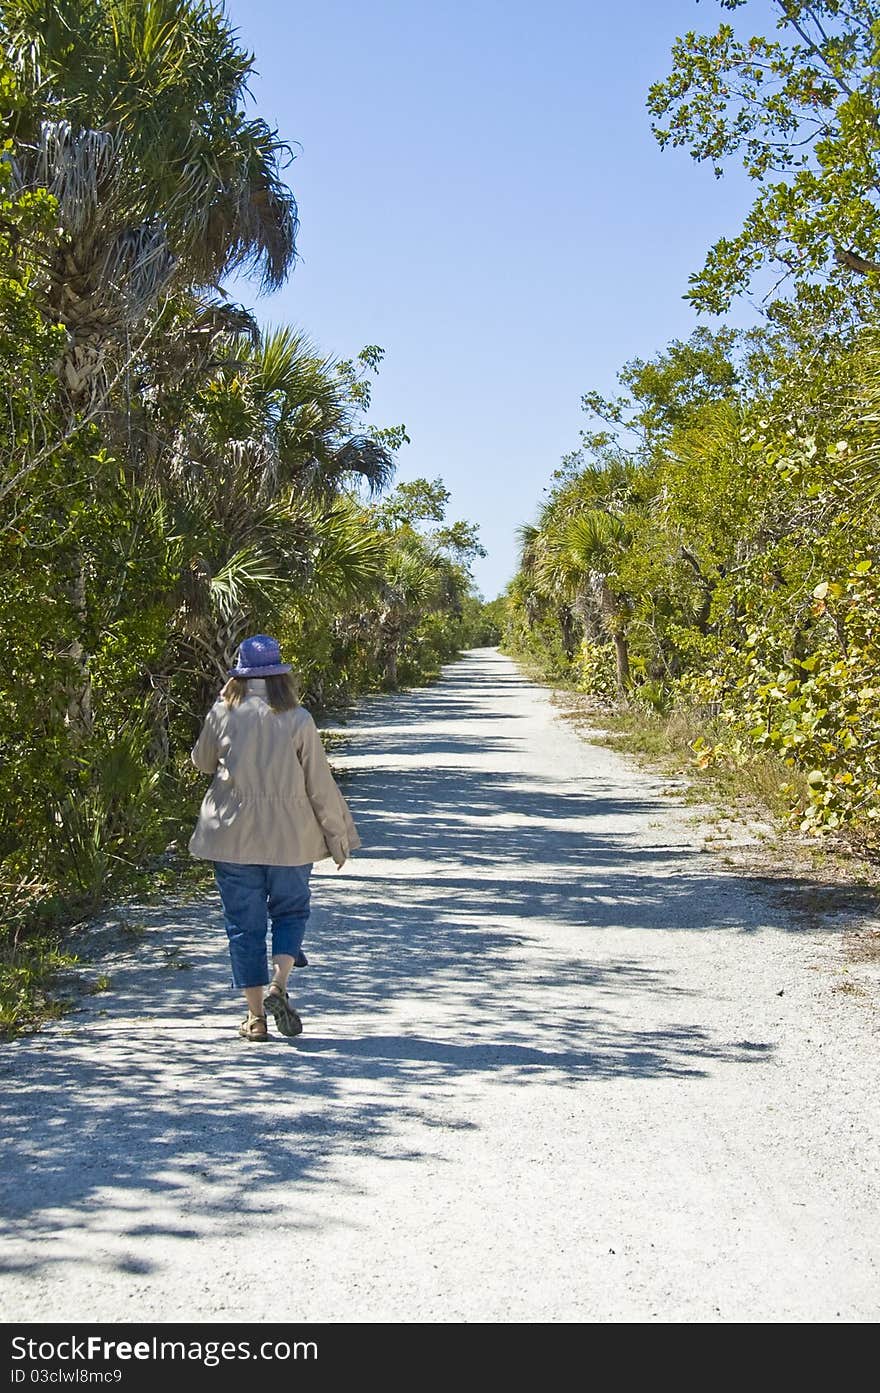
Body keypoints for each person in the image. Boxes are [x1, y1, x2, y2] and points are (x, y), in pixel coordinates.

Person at [188, 634, 361, 1042]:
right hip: (290, 839)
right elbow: (320, 784)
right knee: (291, 912)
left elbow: (201, 763)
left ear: (241, 677)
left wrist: (221, 712)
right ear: (280, 675)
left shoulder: (222, 713)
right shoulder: (298, 718)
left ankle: (254, 1019)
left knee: (243, 927)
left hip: (232, 837)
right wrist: (337, 837)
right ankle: (279, 985)